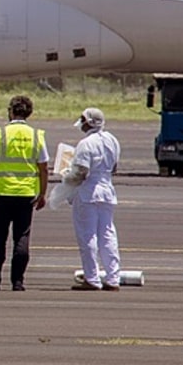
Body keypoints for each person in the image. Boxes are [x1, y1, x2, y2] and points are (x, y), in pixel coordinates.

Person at [0, 95, 49, 291]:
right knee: (22, 238)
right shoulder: (36, 136)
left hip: (1, 193)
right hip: (25, 194)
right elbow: (43, 168)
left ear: (11, 111)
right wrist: (42, 193)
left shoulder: (0, 134)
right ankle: (17, 281)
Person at [68, 107, 122, 291]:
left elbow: (81, 172)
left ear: (89, 122)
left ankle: (92, 278)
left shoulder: (85, 144)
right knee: (107, 234)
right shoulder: (112, 140)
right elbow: (114, 168)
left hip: (88, 193)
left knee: (88, 235)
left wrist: (66, 178)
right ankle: (113, 278)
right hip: (107, 191)